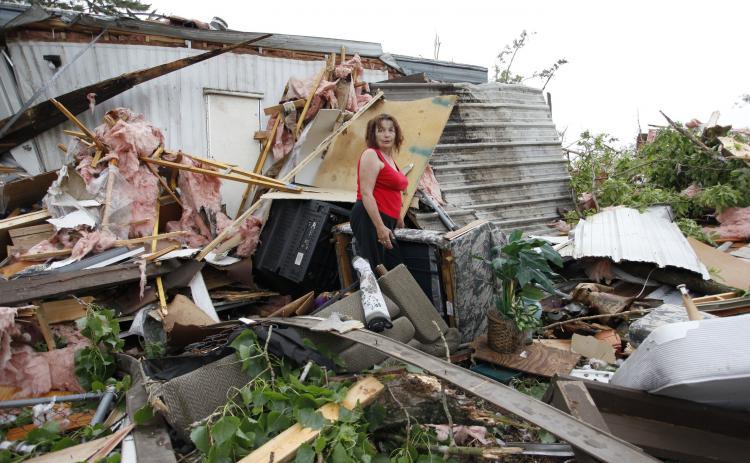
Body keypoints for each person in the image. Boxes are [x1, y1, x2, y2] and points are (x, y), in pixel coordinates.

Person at [350, 113, 408, 270]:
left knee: (396, 268)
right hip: (370, 218)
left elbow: (393, 190)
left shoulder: (390, 159)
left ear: (396, 134)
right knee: (375, 268)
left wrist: (398, 215)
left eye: (391, 130)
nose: (386, 135)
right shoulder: (371, 155)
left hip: (386, 220)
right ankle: (371, 295)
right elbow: (366, 193)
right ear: (373, 134)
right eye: (381, 130)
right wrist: (380, 227)